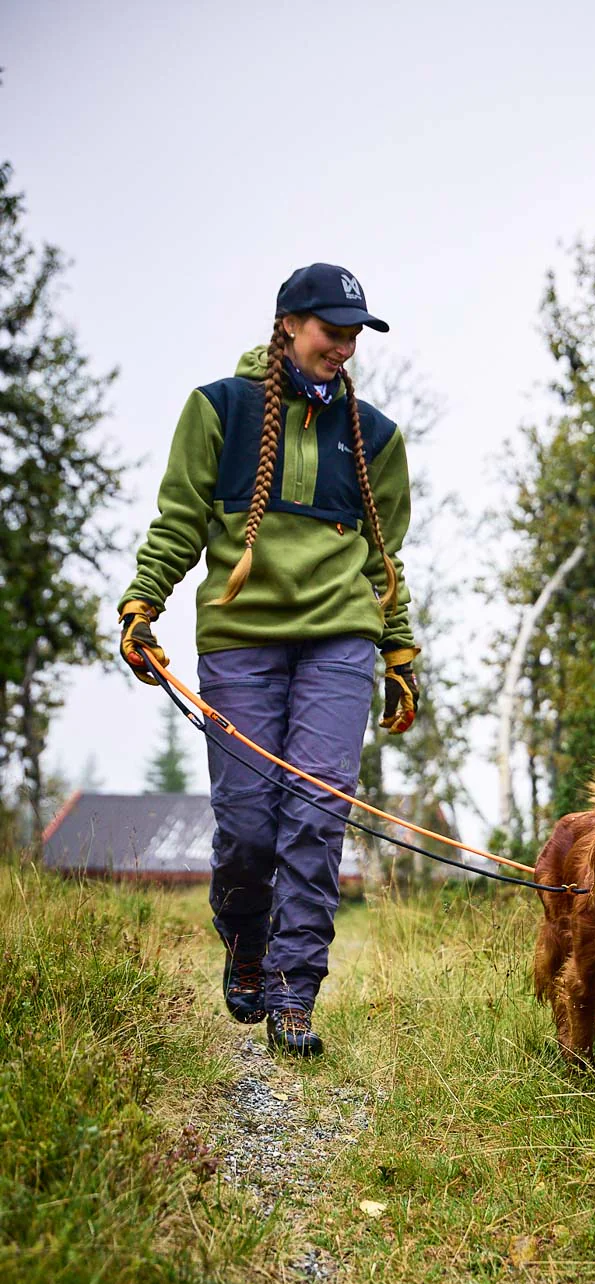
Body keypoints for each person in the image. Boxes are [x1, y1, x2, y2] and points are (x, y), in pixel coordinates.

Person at [118, 262, 419, 1058]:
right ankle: (247, 942)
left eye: (356, 334)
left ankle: (294, 993)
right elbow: (181, 519)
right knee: (249, 823)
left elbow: (385, 560)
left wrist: (399, 650)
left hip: (340, 640)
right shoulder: (220, 408)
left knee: (315, 816)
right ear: (287, 322)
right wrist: (143, 602)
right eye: (332, 330)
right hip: (241, 636)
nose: (345, 347)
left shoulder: (377, 437)